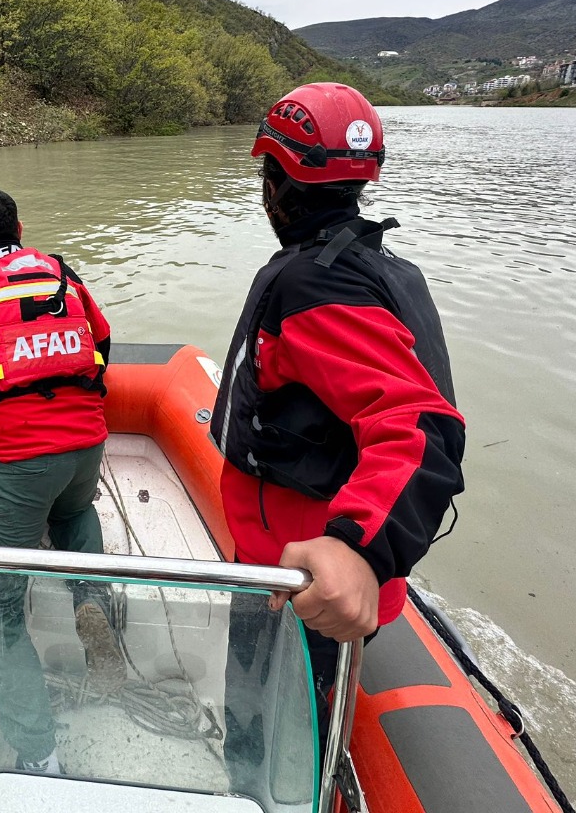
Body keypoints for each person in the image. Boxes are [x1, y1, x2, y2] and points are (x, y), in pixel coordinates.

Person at [210, 83, 466, 761]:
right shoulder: (383, 266)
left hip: (297, 579)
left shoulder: (315, 284)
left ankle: (257, 778)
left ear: (276, 180)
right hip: (318, 565)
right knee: (303, 710)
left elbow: (417, 423)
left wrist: (356, 546)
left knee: (266, 730)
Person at [0, 188, 123, 775]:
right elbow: (102, 338)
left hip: (18, 456)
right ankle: (92, 601)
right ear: (20, 226)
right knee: (72, 513)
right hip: (86, 441)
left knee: (1, 606)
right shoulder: (61, 272)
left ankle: (38, 752)